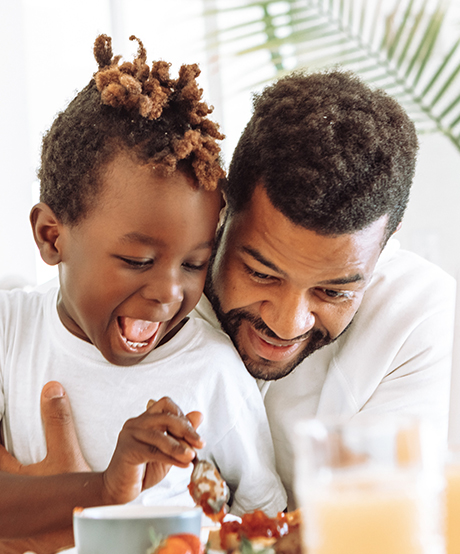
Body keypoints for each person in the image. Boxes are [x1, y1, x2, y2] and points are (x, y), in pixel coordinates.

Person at [0, 34, 286, 552]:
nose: (169, 292)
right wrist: (107, 487)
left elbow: (263, 519)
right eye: (137, 261)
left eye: (195, 263)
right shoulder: (10, 330)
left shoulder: (212, 372)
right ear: (51, 236)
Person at [195, 69, 455, 508]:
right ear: (222, 207)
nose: (285, 323)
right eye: (262, 274)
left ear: (386, 242)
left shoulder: (417, 315)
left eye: (333, 293)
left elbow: (372, 531)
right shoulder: (146, 293)